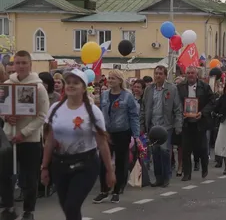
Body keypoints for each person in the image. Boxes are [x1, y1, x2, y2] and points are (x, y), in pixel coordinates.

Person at [41, 69, 115, 220]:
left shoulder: (93, 111)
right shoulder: (55, 109)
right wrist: (44, 167)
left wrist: (109, 170)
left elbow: (102, 143)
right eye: (68, 82)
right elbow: (49, 141)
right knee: (67, 208)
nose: (71, 86)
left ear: (83, 87)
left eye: (76, 83)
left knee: (72, 206)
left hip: (85, 165)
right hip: (60, 164)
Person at [0, 50, 49, 220]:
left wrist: (24, 133)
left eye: (24, 63)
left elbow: (42, 115)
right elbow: (2, 109)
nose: (20, 66)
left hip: (30, 139)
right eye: (17, 63)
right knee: (5, 174)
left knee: (29, 178)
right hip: (9, 138)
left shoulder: (39, 87)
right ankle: (8, 207)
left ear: (30, 64)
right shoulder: (7, 85)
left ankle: (29, 211)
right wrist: (6, 116)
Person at [93, 70, 139, 204]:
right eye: (109, 78)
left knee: (120, 162)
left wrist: (136, 135)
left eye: (113, 78)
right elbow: (101, 113)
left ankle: (117, 190)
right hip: (107, 132)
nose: (110, 80)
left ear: (120, 80)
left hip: (122, 132)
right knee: (103, 161)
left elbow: (133, 116)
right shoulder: (105, 95)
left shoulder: (127, 96)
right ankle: (104, 190)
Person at [140, 66, 182, 187]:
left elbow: (177, 108)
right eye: (156, 73)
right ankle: (158, 178)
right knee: (155, 152)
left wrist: (178, 125)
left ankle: (166, 177)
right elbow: (143, 108)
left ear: (164, 75)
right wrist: (142, 125)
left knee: (165, 151)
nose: (158, 76)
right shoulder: (149, 89)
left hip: (166, 126)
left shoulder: (171, 89)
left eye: (160, 74)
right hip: (152, 126)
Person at [177, 66, 214, 181]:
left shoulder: (205, 86)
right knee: (186, 148)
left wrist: (202, 112)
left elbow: (212, 102)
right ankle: (187, 173)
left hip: (200, 121)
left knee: (202, 148)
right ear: (185, 74)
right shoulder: (180, 87)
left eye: (192, 73)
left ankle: (204, 168)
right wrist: (181, 112)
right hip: (186, 122)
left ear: (196, 75)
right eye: (188, 73)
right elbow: (177, 102)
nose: (190, 75)